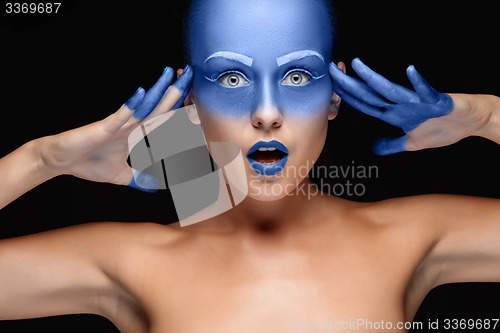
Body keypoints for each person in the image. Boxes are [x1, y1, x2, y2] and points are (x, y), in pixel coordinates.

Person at [1, 0, 499, 332]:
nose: (266, 112)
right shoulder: (132, 260)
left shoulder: (411, 237)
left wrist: (488, 117)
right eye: (233, 78)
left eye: (298, 75)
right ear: (191, 97)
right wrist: (41, 160)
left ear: (335, 96)